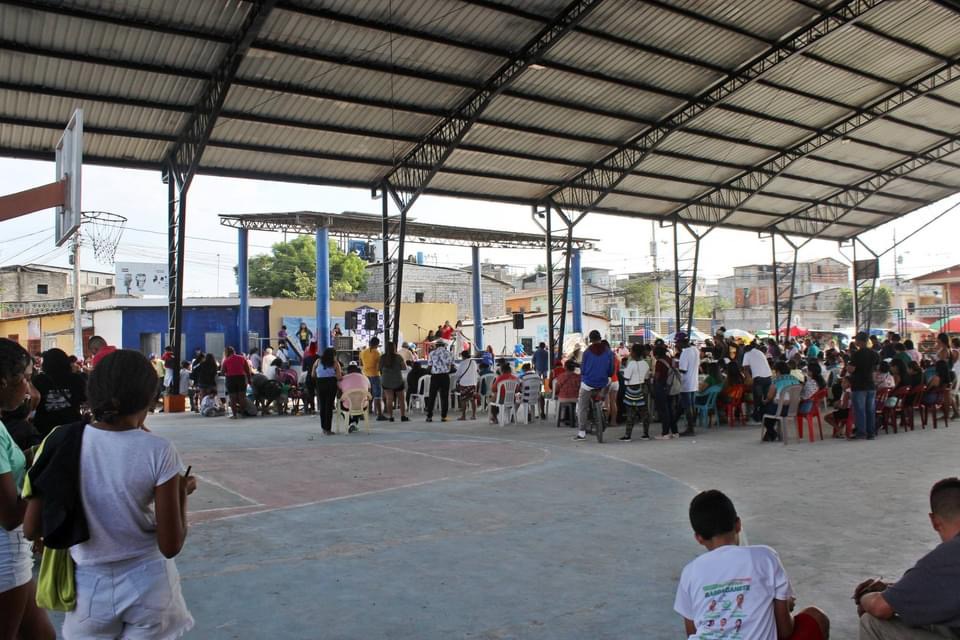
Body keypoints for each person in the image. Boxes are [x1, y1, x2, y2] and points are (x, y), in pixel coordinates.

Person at [24, 350, 195, 640]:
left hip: (88, 589)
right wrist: (181, 494)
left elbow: (31, 529)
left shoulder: (61, 440)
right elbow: (171, 545)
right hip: (150, 586)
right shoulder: (158, 450)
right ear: (149, 397)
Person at [674, 489, 830, 640]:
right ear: (738, 525)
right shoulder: (765, 557)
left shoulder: (689, 572)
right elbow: (785, 631)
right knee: (816, 617)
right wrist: (784, 606)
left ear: (699, 538)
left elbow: (691, 632)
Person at [854, 477, 960, 639]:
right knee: (928, 612)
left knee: (871, 623)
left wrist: (864, 596)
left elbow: (880, 607)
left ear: (934, 521)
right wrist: (895, 591)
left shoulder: (947, 555)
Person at [0, 339, 56, 640]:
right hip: (4, 554)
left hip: (13, 554)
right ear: (3, 382)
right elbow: (9, 515)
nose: (29, 390)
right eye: (25, 379)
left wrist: (34, 455)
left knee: (41, 635)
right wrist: (48, 477)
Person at [31, 347, 87, 437]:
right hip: (71, 426)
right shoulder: (76, 379)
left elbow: (34, 401)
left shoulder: (39, 380)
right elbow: (84, 398)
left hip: (45, 428)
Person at [575, 330, 614, 442]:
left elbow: (583, 370)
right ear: (600, 338)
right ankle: (601, 403)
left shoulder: (587, 352)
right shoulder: (609, 352)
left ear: (590, 340)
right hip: (603, 383)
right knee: (608, 382)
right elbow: (611, 371)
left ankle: (581, 433)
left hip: (588, 384)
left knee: (582, 407)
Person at [848, 331, 880, 440]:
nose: (855, 342)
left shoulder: (856, 354)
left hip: (859, 384)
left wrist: (848, 368)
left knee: (860, 410)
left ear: (860, 341)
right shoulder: (875, 354)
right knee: (870, 410)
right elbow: (877, 369)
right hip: (870, 384)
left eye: (856, 340)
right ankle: (871, 433)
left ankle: (861, 432)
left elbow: (851, 369)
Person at [762, 362, 802, 442]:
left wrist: (765, 401)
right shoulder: (796, 380)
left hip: (780, 410)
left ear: (778, 371)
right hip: (793, 409)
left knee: (763, 409)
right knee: (771, 409)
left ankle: (771, 432)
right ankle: (770, 434)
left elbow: (769, 396)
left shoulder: (777, 381)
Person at [620, 343, 650, 441]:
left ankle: (627, 435)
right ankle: (646, 434)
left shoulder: (631, 364)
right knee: (644, 412)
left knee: (630, 413)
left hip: (632, 389)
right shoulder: (645, 364)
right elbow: (647, 377)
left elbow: (626, 377)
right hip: (643, 388)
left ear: (634, 353)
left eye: (631, 351)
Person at [312, 348, 341, 435]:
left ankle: (323, 428)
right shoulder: (335, 363)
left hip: (320, 384)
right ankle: (328, 429)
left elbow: (313, 374)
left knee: (322, 406)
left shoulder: (317, 361)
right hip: (331, 384)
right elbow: (339, 377)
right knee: (329, 406)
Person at [653, 344, 679, 439]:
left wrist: (653, 380)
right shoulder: (670, 359)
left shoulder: (659, 362)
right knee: (671, 409)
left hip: (662, 387)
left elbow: (657, 376)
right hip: (671, 387)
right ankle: (675, 432)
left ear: (656, 354)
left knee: (664, 411)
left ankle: (665, 433)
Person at [743, 342, 773, 423]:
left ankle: (757, 418)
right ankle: (767, 416)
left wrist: (748, 379)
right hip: (768, 377)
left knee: (757, 398)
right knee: (766, 399)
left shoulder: (747, 354)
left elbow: (745, 368)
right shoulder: (759, 352)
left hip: (758, 378)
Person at [677, 333, 701, 436]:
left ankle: (690, 428)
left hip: (686, 384)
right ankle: (691, 425)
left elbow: (683, 370)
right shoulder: (695, 350)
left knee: (687, 407)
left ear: (681, 342)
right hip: (694, 382)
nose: (676, 345)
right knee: (691, 405)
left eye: (677, 342)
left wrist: (675, 367)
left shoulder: (685, 353)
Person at [425, 339, 453, 422]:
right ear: (444, 345)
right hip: (445, 376)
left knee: (432, 396)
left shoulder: (432, 353)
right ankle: (444, 416)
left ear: (436, 345)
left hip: (435, 377)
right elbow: (451, 365)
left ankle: (429, 416)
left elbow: (430, 366)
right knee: (444, 397)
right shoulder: (449, 353)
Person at [379, 342, 408, 423]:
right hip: (397, 380)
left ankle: (391, 417)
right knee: (401, 399)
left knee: (389, 399)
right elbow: (404, 367)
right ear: (394, 348)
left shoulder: (382, 357)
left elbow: (379, 368)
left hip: (386, 380)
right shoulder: (398, 357)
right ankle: (403, 416)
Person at [338, 363, 370, 433]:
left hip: (348, 405)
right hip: (363, 405)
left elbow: (340, 394)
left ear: (348, 371)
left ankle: (350, 422)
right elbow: (369, 390)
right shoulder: (365, 378)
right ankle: (354, 423)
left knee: (340, 405)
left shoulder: (344, 378)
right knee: (359, 402)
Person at [221, 346, 251, 419]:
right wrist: (249, 380)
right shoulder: (242, 358)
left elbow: (223, 372)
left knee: (232, 398)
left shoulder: (226, 360)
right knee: (242, 397)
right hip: (241, 378)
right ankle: (243, 414)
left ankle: (234, 415)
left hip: (230, 379)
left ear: (226, 352)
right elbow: (248, 370)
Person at [359, 337, 384, 420]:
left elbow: (361, 363)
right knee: (377, 394)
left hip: (365, 375)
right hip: (375, 375)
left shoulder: (363, 352)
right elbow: (379, 366)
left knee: (367, 394)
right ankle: (379, 414)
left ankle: (367, 411)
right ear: (377, 344)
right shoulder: (377, 353)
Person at [454, 349, 479, 421]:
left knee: (463, 400)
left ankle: (463, 416)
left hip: (464, 384)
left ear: (463, 356)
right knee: (473, 400)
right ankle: (474, 415)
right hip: (473, 383)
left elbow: (457, 374)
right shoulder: (473, 362)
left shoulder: (462, 363)